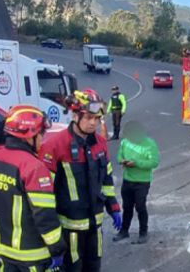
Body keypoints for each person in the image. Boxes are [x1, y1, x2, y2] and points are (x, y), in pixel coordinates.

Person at [39, 89, 122, 272]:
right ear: (75, 115)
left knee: (94, 267)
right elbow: (44, 195)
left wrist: (113, 207)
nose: (93, 123)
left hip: (95, 227)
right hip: (70, 230)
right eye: (89, 117)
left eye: (97, 118)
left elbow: (106, 179)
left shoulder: (100, 143)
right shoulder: (55, 146)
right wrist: (52, 239)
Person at [0, 105, 66, 272]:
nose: (43, 138)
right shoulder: (34, 168)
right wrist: (57, 247)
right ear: (30, 135)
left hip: (5, 252)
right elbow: (44, 214)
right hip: (34, 255)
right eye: (41, 133)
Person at [112, 121, 160, 244]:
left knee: (140, 206)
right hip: (128, 180)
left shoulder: (149, 144)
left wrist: (136, 163)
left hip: (142, 181)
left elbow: (154, 162)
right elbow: (119, 157)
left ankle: (143, 232)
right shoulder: (125, 142)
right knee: (126, 207)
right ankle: (124, 231)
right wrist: (122, 161)